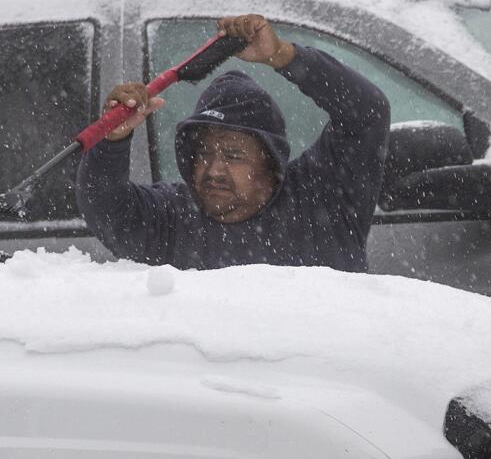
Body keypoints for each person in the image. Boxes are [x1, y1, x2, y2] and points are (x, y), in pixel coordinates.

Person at [76, 14, 390, 271]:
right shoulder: (172, 217)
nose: (213, 169)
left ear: (271, 161)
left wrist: (281, 56)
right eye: (202, 153)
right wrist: (113, 141)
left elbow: (367, 112)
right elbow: (105, 207)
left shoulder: (323, 199)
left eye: (234, 155)